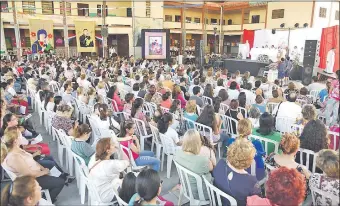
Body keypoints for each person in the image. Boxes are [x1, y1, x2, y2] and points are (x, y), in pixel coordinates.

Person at [0, 129, 65, 203]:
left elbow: (32, 161)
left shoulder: (17, 149)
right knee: (60, 182)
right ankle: (46, 200)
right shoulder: (14, 157)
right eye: (20, 135)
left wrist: (42, 168)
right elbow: (29, 174)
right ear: (15, 141)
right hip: (30, 180)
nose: (22, 137)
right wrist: (44, 172)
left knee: (52, 166)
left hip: (36, 173)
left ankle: (49, 192)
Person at [213, 138, 261, 205]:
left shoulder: (220, 163)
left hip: (219, 202)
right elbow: (257, 202)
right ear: (249, 160)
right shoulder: (251, 181)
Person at [88, 138, 129, 203]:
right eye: (112, 144)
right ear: (108, 151)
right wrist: (120, 149)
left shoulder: (94, 157)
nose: (114, 145)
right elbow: (127, 162)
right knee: (130, 185)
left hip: (96, 191)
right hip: (106, 195)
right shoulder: (110, 164)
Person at [174, 130, 212, 200]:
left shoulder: (177, 153)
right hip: (202, 193)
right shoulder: (202, 160)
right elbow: (211, 168)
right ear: (197, 143)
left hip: (186, 188)